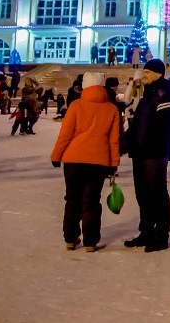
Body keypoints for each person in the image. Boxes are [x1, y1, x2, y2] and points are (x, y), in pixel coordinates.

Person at [50, 72, 122, 251]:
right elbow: (114, 140)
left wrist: (56, 156)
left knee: (73, 199)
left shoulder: (76, 105)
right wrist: (114, 163)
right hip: (98, 161)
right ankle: (90, 241)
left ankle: (70, 238)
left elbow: (65, 135)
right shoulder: (111, 109)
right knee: (91, 201)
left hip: (73, 160)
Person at [122, 59, 170, 253]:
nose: (143, 75)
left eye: (147, 72)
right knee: (142, 194)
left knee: (157, 193)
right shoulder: (149, 93)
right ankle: (145, 231)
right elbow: (139, 124)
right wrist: (126, 144)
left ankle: (161, 236)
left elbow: (166, 125)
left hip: (154, 153)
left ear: (158, 73)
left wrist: (152, 145)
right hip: (141, 152)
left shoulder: (165, 92)